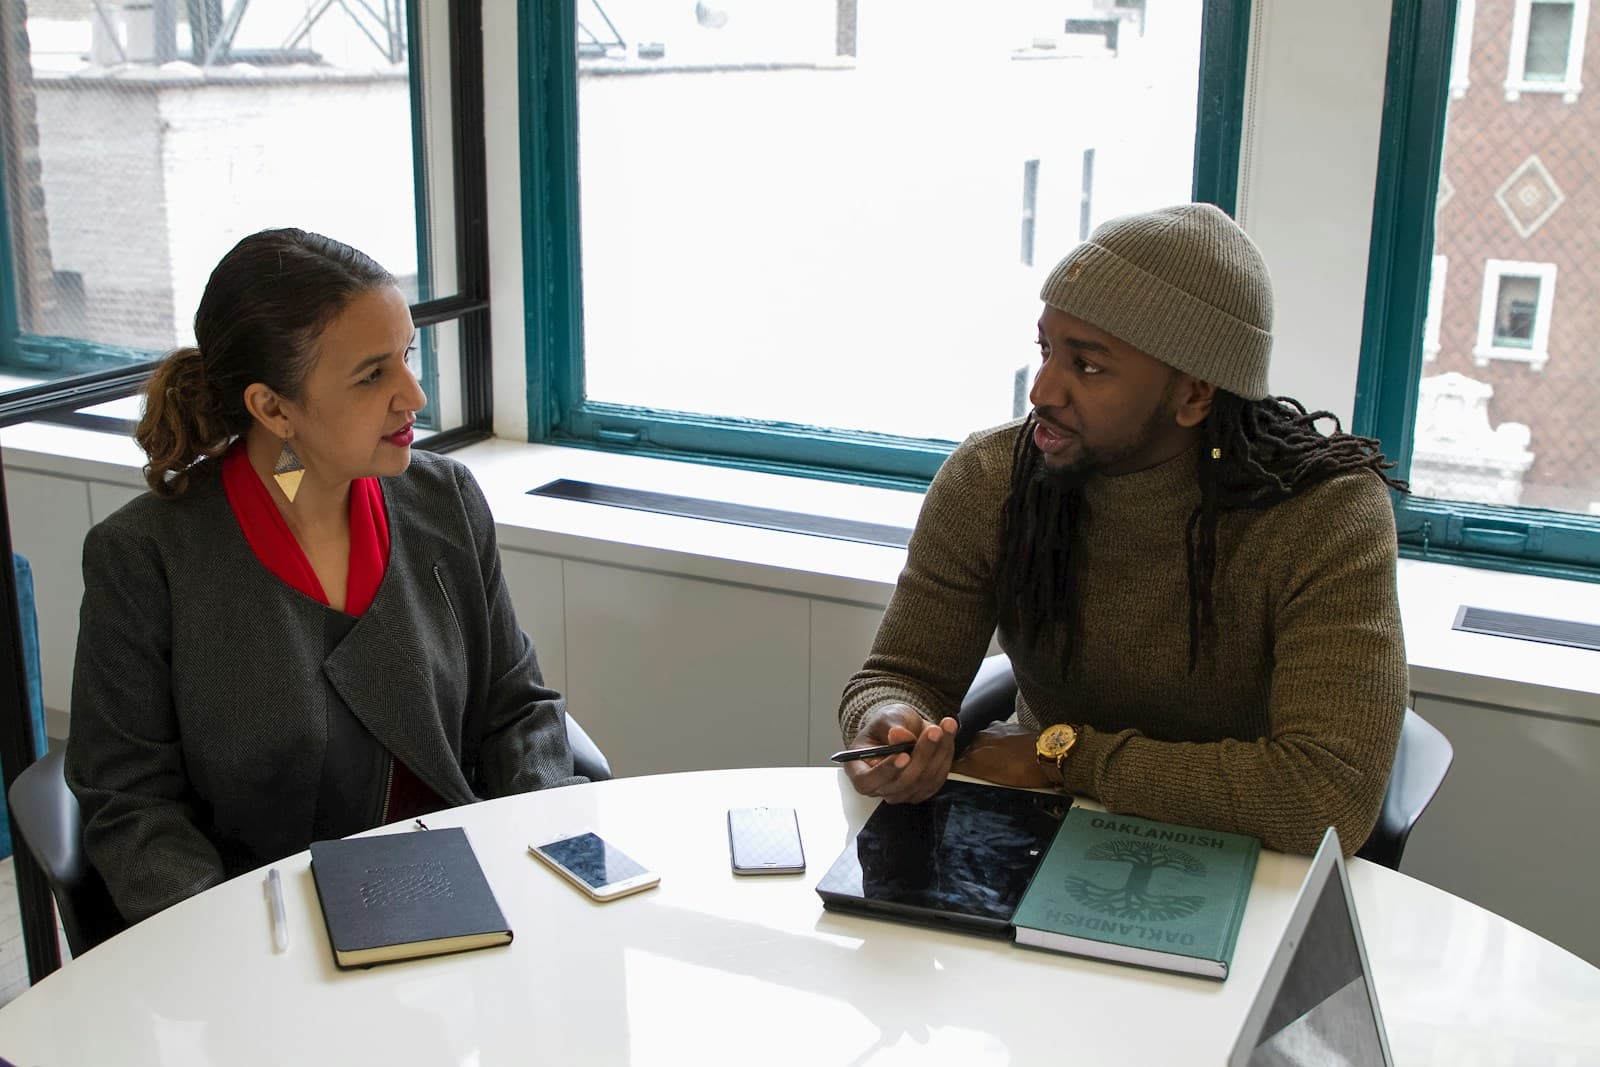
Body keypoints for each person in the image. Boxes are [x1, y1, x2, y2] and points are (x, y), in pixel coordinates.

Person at [837, 203, 1407, 856]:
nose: (1042, 390)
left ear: (1195, 396)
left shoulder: (1324, 515)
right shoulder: (993, 476)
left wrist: (1064, 758)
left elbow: (1324, 796)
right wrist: (887, 723)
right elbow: (898, 674)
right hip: (1040, 842)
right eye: (1046, 350)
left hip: (1245, 860)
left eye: (1088, 366)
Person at [66, 228, 583, 925]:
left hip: (468, 893)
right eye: (373, 376)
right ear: (272, 408)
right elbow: (131, 801)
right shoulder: (146, 557)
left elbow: (517, 707)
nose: (415, 396)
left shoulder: (446, 501)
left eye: (406, 356)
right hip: (269, 934)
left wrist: (541, 840)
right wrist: (216, 937)